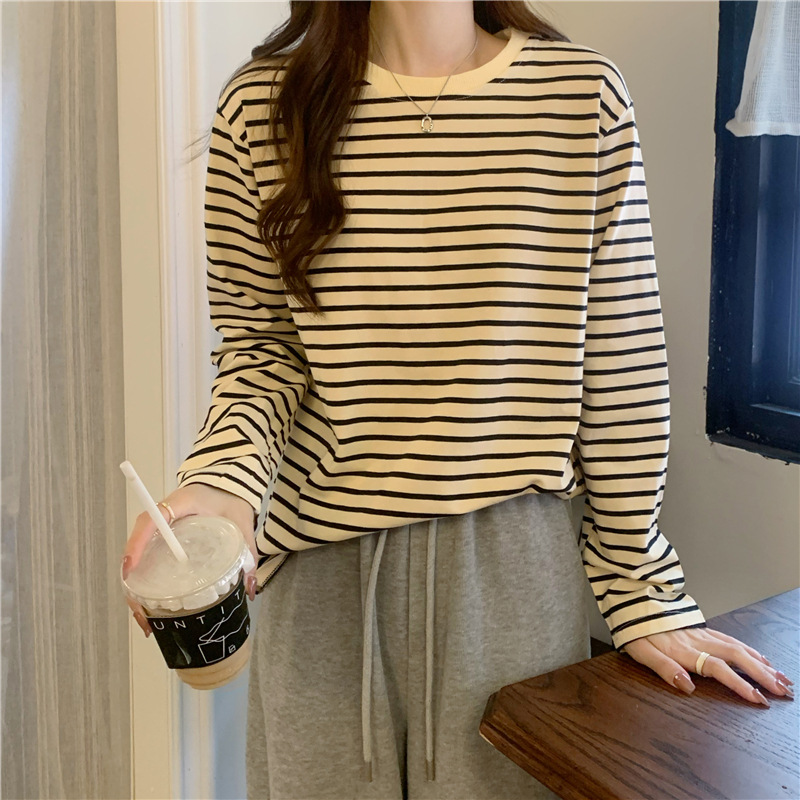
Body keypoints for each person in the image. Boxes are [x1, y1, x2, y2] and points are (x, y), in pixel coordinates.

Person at [121, 1, 795, 797]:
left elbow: (621, 362)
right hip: (324, 593)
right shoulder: (263, 107)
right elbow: (262, 352)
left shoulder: (581, 97)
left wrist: (639, 587)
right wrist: (221, 486)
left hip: (512, 579)